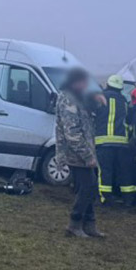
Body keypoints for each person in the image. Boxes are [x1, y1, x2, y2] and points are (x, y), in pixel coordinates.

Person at [55, 67, 104, 238]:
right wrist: (87, 156)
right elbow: (72, 133)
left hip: (84, 150)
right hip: (75, 153)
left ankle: (89, 225)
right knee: (87, 187)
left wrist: (96, 98)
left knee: (89, 187)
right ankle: (74, 224)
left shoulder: (78, 97)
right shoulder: (68, 99)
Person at [94, 75, 136, 206]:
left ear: (107, 84)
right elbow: (129, 120)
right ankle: (128, 199)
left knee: (105, 170)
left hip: (104, 143)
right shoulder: (124, 101)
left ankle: (105, 198)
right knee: (124, 171)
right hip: (122, 143)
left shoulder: (99, 97)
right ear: (120, 88)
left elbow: (92, 115)